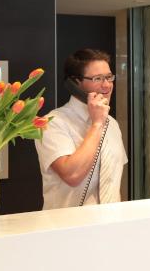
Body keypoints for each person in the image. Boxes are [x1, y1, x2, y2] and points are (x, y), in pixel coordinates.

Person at [35, 49, 127, 209]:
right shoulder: (53, 123)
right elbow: (72, 175)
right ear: (75, 83)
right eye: (97, 78)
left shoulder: (112, 124)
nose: (106, 85)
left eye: (109, 77)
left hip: (111, 225)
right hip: (67, 228)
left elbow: (113, 182)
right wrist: (96, 124)